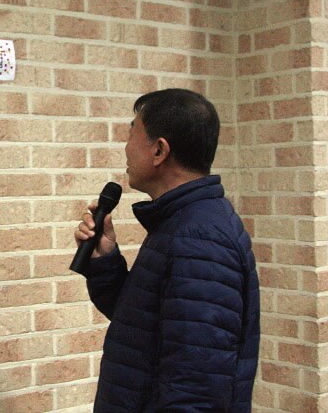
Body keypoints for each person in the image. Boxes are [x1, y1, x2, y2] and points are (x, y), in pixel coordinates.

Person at [74, 88, 260, 412]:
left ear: (159, 150)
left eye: (132, 133)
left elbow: (197, 387)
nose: (126, 147)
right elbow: (142, 328)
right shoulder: (181, 224)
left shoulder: (199, 240)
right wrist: (105, 261)